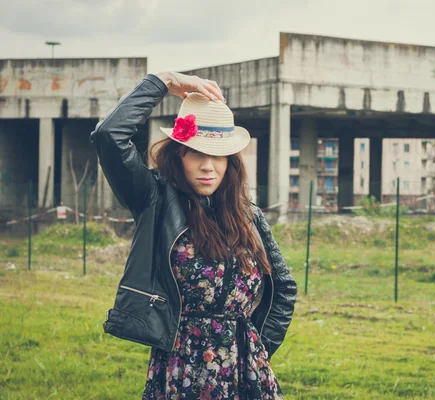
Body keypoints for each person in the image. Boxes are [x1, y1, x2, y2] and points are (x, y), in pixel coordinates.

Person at [90, 71, 297, 399]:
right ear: (179, 155)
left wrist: (258, 348)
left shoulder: (247, 214)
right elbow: (109, 135)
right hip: (184, 368)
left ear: (231, 161)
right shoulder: (154, 199)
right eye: (196, 153)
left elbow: (284, 288)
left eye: (217, 155)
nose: (208, 166)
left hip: (249, 372)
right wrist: (165, 82)